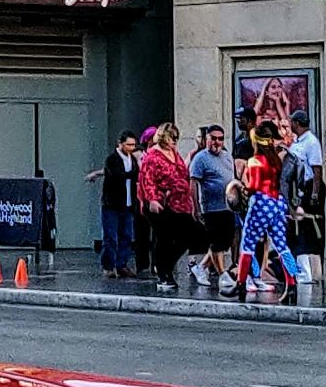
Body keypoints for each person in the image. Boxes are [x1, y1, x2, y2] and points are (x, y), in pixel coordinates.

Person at [223, 122, 301, 303]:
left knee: (247, 245)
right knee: (282, 246)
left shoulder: (254, 161)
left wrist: (241, 188)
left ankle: (241, 283)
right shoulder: (276, 160)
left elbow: (255, 186)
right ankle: (292, 284)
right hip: (277, 203)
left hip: (261, 204)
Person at [137, 124, 196, 292]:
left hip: (180, 202)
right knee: (164, 238)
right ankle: (164, 274)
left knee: (188, 236)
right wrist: (153, 199)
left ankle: (167, 265)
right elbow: (147, 179)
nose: (174, 141)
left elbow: (182, 174)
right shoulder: (152, 156)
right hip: (161, 202)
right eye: (171, 138)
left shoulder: (174, 153)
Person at [188, 125, 237, 289]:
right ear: (207, 139)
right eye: (213, 138)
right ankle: (222, 273)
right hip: (211, 207)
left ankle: (201, 267)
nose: (217, 142)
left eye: (220, 138)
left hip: (228, 206)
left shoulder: (227, 156)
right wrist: (195, 207)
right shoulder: (200, 158)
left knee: (226, 241)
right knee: (216, 242)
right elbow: (193, 183)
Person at [89, 131, 140, 279]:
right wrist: (134, 171)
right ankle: (108, 266)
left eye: (133, 145)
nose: (131, 148)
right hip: (112, 204)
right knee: (110, 236)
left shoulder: (133, 159)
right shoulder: (112, 159)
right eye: (129, 144)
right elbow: (118, 175)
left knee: (127, 235)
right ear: (120, 144)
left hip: (128, 204)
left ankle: (122, 264)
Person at [285, 110, 325, 282]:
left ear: (297, 123)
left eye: (292, 122)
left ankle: (308, 270)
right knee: (296, 228)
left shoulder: (311, 142)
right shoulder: (297, 142)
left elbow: (317, 169)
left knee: (307, 227)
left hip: (308, 188)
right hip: (297, 188)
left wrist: (314, 194)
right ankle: (299, 267)